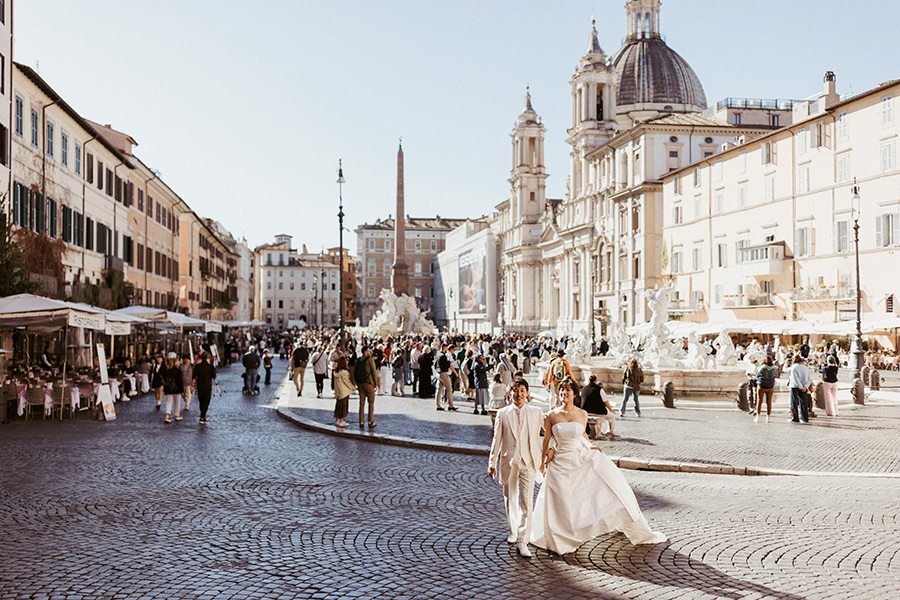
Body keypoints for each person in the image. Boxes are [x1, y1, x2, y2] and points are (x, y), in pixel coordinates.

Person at [530, 379, 666, 555]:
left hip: (577, 457)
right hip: (559, 462)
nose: (564, 393)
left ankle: (587, 523)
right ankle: (559, 535)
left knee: (598, 485)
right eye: (562, 390)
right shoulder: (551, 415)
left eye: (568, 390)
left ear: (575, 394)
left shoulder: (582, 414)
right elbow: (547, 440)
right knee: (559, 501)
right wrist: (543, 461)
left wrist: (591, 446)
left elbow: (583, 435)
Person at [488, 378, 544, 558]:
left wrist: (549, 452)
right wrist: (492, 463)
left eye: (522, 390)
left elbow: (550, 431)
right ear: (510, 392)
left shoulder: (536, 412)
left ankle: (523, 540)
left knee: (527, 502)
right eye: (515, 390)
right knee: (510, 499)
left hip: (529, 461)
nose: (518, 394)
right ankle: (513, 531)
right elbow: (497, 439)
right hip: (509, 461)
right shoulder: (503, 413)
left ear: (527, 393)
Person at [353, 346, 378, 428]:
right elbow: (374, 372)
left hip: (360, 384)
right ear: (365, 352)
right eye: (368, 351)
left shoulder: (357, 360)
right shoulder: (370, 360)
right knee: (371, 403)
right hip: (368, 383)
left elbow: (355, 372)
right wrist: (375, 383)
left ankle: (361, 421)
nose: (370, 352)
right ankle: (370, 421)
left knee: (361, 403)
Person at [192, 351, 217, 425]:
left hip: (199, 385)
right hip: (207, 386)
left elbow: (194, 377)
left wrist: (191, 386)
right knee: (206, 401)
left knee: (201, 401)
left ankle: (203, 416)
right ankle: (202, 416)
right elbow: (214, 377)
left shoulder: (197, 367)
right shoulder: (210, 366)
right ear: (207, 357)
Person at [161, 352, 184, 424]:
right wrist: (182, 390)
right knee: (177, 401)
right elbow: (180, 381)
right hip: (177, 388)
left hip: (168, 388)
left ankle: (167, 415)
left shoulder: (166, 370)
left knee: (168, 402)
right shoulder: (178, 370)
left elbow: (163, 378)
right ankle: (177, 414)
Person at [788, 353, 811, 423]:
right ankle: (805, 418)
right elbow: (809, 379)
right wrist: (805, 386)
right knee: (804, 402)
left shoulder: (794, 367)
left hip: (795, 386)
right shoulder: (806, 367)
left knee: (794, 402)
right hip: (804, 386)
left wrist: (800, 387)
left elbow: (795, 379)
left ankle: (795, 418)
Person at [435, 345, 458, 411]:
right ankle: (450, 405)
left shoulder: (438, 355)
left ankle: (438, 405)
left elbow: (435, 364)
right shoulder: (443, 356)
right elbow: (448, 365)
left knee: (439, 389)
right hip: (444, 373)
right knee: (449, 389)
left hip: (439, 373)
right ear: (444, 348)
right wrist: (449, 362)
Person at [332, 356, 354, 428]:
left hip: (338, 392)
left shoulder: (335, 372)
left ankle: (336, 420)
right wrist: (354, 388)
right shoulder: (345, 372)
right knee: (343, 407)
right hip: (344, 391)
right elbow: (347, 382)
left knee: (338, 406)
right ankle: (341, 421)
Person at [754, 356, 777, 423]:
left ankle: (758, 417)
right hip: (770, 386)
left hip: (762, 386)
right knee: (769, 402)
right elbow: (775, 375)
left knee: (759, 401)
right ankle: (768, 418)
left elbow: (757, 375)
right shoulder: (773, 368)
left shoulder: (761, 367)